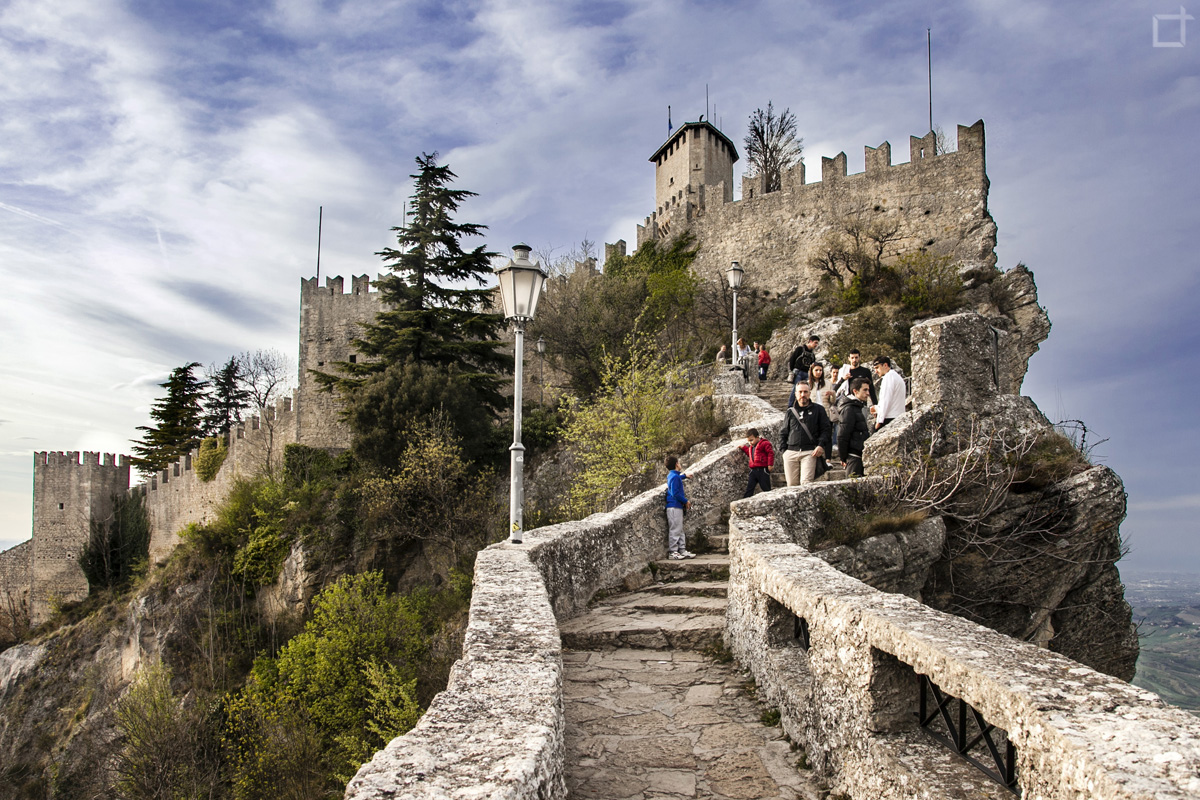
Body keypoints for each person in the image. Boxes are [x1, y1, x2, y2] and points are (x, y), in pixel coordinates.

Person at [778, 382, 832, 486]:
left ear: (809, 393)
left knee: (806, 484)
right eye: (800, 392)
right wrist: (784, 451)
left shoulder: (819, 410)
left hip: (809, 452)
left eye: (805, 392)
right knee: (791, 486)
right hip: (791, 452)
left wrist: (821, 445)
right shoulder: (790, 412)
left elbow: (826, 430)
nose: (803, 394)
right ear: (796, 394)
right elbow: (783, 432)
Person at [837, 377, 873, 477]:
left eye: (868, 390)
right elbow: (842, 435)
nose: (868, 393)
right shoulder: (849, 409)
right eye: (865, 390)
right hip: (854, 456)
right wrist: (843, 457)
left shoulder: (858, 406)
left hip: (859, 455)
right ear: (855, 391)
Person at [664, 455, 695, 559]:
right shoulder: (674, 477)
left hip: (676, 507)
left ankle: (682, 550)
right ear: (677, 464)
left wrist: (684, 476)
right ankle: (673, 552)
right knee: (675, 529)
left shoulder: (673, 476)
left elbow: (675, 478)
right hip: (674, 507)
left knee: (680, 529)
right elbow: (675, 493)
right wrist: (686, 501)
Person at [871, 355, 906, 431]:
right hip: (898, 417)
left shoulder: (888, 378)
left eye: (877, 367)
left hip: (889, 419)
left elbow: (885, 400)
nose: (876, 371)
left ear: (885, 365)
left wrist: (879, 421)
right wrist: (877, 408)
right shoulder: (896, 377)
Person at [738, 428, 775, 497]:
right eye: (748, 441)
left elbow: (770, 453)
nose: (750, 443)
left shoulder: (764, 443)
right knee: (750, 487)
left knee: (766, 487)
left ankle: (771, 499)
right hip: (753, 471)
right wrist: (744, 448)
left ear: (757, 437)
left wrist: (770, 464)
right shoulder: (752, 447)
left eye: (751, 440)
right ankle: (745, 500)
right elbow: (750, 454)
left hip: (762, 470)